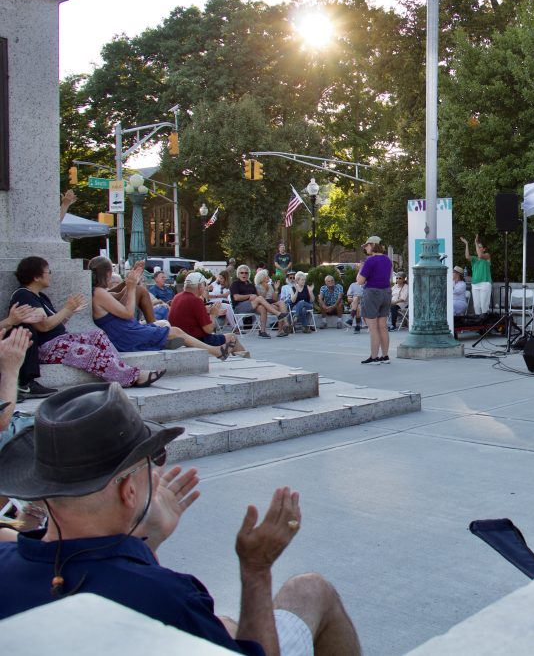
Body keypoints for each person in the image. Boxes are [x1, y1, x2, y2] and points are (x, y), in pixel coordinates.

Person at [0, 383, 362, 656]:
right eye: (151, 461)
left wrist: (148, 539)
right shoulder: (170, 599)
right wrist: (256, 570)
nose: (158, 472)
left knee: (226, 623)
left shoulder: (7, 564)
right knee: (311, 589)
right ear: (128, 491)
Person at [9, 256, 165, 390]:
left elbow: (53, 323)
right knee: (90, 352)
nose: (50, 275)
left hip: (58, 340)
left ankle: (121, 371)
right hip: (48, 347)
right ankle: (133, 376)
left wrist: (70, 311)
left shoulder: (39, 296)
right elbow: (43, 326)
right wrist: (67, 308)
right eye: (47, 272)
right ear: (36, 277)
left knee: (98, 335)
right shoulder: (24, 295)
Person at [90, 257, 230, 360]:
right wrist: (132, 287)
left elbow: (117, 294)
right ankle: (215, 351)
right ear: (108, 274)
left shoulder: (97, 292)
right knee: (174, 332)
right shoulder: (99, 293)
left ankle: (214, 350)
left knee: (175, 330)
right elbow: (127, 313)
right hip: (126, 336)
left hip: (124, 334)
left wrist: (131, 279)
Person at [169, 272, 249, 358]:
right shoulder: (196, 301)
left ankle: (235, 359)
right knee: (233, 337)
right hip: (198, 340)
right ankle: (247, 363)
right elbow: (208, 330)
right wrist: (213, 315)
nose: (206, 287)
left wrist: (206, 310)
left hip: (184, 338)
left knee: (231, 342)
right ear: (199, 286)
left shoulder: (177, 297)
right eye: (205, 285)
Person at [356, 236, 392, 364]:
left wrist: (361, 268)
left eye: (366, 246)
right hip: (386, 292)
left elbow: (360, 281)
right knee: (382, 326)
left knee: (373, 328)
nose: (365, 248)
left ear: (372, 245)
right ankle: (385, 356)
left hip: (372, 292)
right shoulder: (388, 260)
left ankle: (374, 357)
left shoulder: (369, 261)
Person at [230, 265, 279, 339]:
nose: (244, 274)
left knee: (262, 308)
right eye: (242, 273)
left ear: (248, 274)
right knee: (259, 299)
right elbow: (236, 297)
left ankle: (262, 331)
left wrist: (267, 291)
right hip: (239, 307)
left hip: (251, 305)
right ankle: (278, 313)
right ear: (238, 274)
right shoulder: (235, 284)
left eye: (246, 273)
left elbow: (258, 296)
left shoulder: (251, 285)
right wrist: (249, 296)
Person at [255, 269, 291, 337]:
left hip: (272, 302)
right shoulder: (257, 286)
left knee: (281, 303)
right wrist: (265, 289)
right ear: (262, 278)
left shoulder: (270, 286)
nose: (269, 277)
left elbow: (275, 299)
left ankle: (285, 325)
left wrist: (276, 289)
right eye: (267, 276)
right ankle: (282, 329)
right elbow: (261, 298)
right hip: (264, 304)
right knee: (280, 308)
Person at [461, 234, 492, 314]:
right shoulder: (474, 259)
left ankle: (486, 325)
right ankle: (480, 325)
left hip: (485, 283)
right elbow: (467, 257)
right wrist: (466, 244)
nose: (478, 248)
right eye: (477, 247)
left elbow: (480, 255)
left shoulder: (487, 256)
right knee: (476, 307)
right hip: (475, 284)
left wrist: (475, 242)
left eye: (480, 247)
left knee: (483, 306)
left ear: (484, 249)